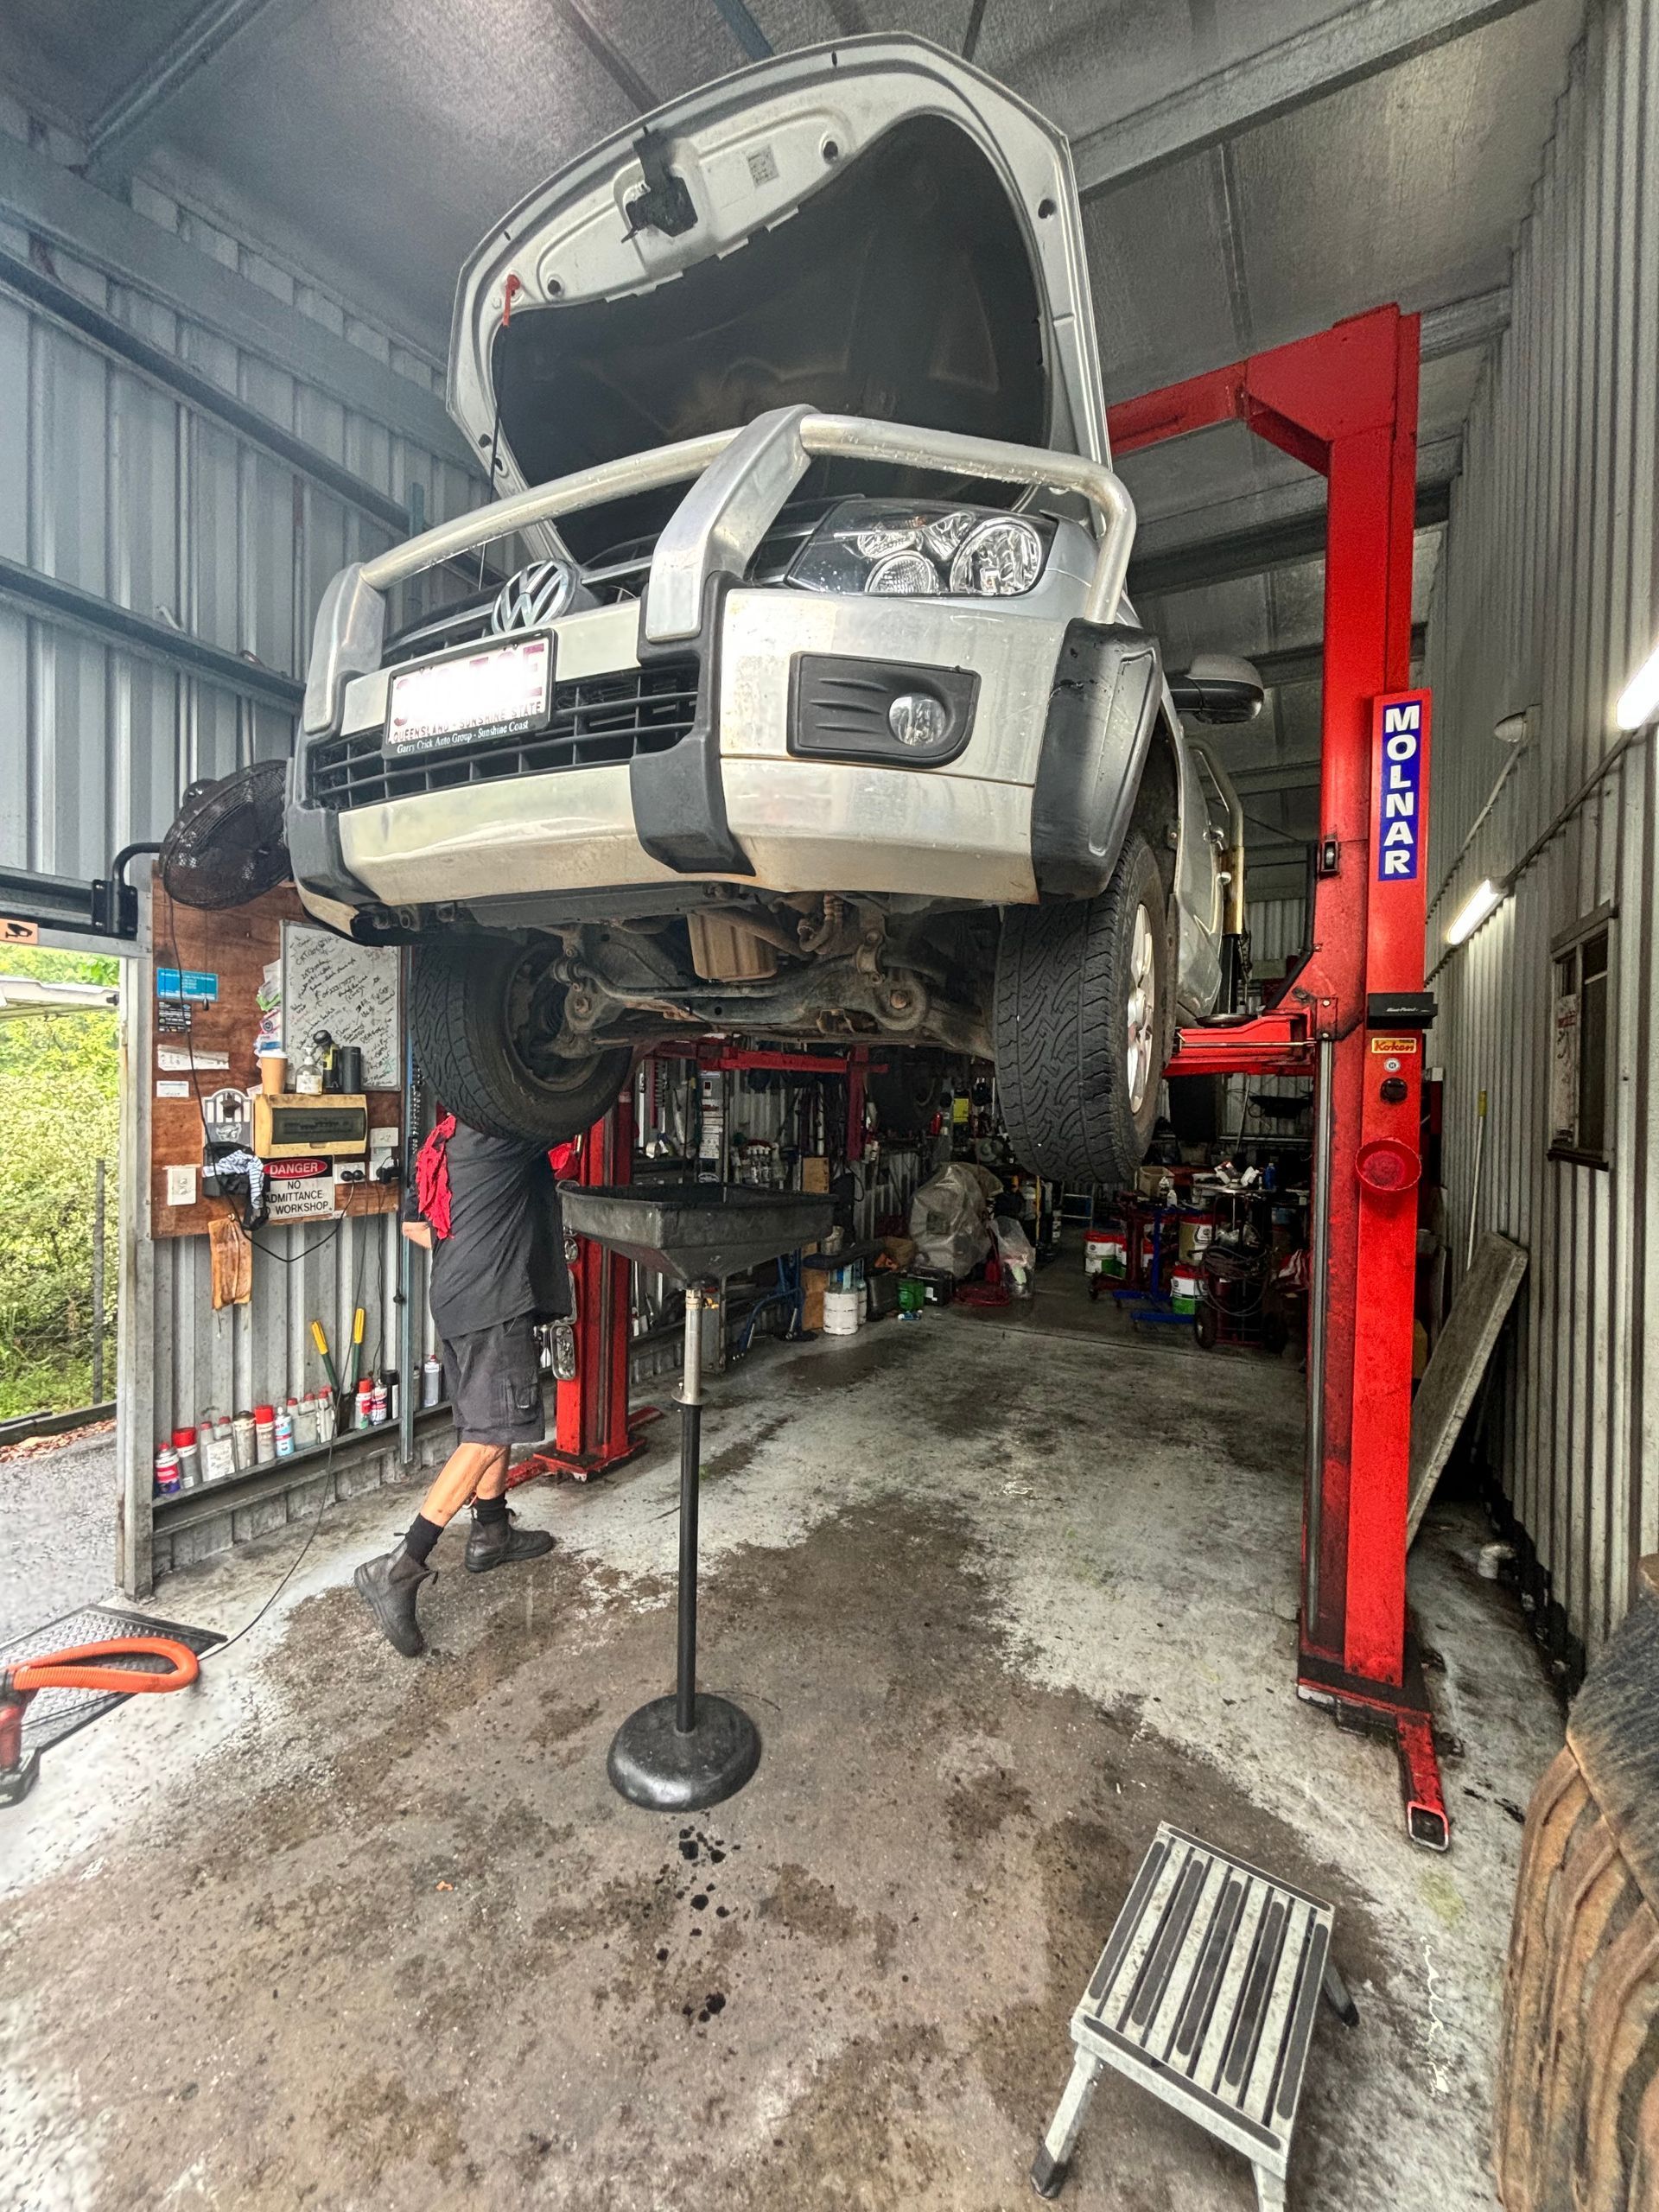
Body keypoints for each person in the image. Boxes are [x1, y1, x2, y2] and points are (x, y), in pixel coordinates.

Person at [353, 1116, 573, 1656]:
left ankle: (492, 1531)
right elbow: (575, 1112)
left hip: (454, 1296)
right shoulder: (509, 1128)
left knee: (490, 1423)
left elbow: (415, 1227)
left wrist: (474, 1244)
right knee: (491, 1431)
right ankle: (403, 1565)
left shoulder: (442, 1137)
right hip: (494, 1304)